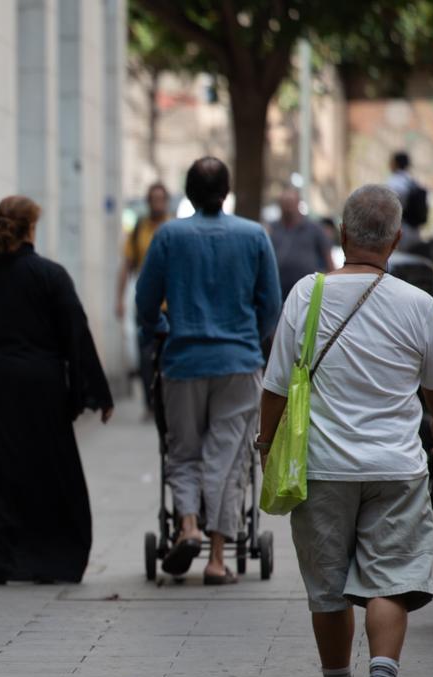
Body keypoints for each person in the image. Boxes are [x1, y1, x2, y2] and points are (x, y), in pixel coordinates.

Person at [258, 184, 433, 677]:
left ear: (340, 236)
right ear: (396, 239)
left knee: (329, 588)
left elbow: (274, 388)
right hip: (397, 468)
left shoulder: (306, 294)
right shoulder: (420, 305)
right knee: (389, 583)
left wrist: (265, 442)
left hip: (321, 469)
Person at [0, 196, 114, 585]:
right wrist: (94, 393)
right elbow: (76, 333)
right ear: (31, 229)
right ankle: (47, 560)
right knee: (44, 474)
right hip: (38, 392)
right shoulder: (49, 275)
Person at [135, 156, 282, 584]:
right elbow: (270, 304)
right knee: (229, 457)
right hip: (238, 364)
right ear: (226, 189)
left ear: (188, 191)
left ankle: (188, 526)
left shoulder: (169, 236)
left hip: (183, 361)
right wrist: (249, 340)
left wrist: (161, 328)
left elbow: (146, 302)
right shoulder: (254, 236)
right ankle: (218, 559)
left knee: (182, 451)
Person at [116, 183, 172, 413]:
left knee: (169, 354)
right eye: (153, 199)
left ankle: (167, 400)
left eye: (161, 199)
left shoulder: (175, 227)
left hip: (172, 304)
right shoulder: (138, 229)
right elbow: (126, 266)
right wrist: (119, 298)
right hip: (147, 302)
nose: (157, 204)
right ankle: (150, 402)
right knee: (146, 353)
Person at [270, 187, 334, 298]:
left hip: (308, 294)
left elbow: (328, 260)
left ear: (298, 203)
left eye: (291, 203)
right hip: (278, 293)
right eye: (285, 203)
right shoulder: (272, 229)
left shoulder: (314, 229)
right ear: (280, 205)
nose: (288, 207)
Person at [386, 151, 426, 247]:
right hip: (415, 232)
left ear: (395, 163)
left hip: (399, 230)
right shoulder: (413, 182)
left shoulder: (395, 182)